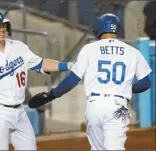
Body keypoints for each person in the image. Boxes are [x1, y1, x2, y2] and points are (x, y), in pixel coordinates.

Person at [27, 13, 152, 150]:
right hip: (118, 105)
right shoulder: (133, 52)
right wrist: (126, 88)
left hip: (95, 105)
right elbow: (146, 82)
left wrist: (51, 95)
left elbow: (73, 79)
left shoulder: (89, 49)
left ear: (98, 29)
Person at [0, 9, 73, 150]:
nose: (2, 29)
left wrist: (68, 65)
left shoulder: (19, 47)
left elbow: (41, 64)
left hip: (20, 111)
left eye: (3, 25)